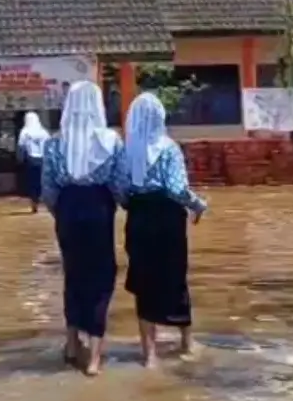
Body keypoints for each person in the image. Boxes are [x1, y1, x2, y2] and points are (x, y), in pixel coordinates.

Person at [114, 92, 207, 367]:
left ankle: (149, 354)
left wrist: (132, 207)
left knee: (143, 282)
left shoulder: (125, 150)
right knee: (175, 276)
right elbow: (177, 189)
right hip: (167, 217)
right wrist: (198, 206)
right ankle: (187, 343)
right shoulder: (168, 148)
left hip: (139, 216)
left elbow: (119, 189)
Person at [41, 81, 123, 376]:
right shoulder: (111, 140)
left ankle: (72, 342)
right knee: (101, 277)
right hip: (99, 208)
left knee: (73, 274)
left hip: (67, 208)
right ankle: (95, 358)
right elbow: (119, 185)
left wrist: (59, 213)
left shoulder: (54, 143)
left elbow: (48, 190)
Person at [17, 111, 51, 213]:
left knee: (32, 182)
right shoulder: (43, 132)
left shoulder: (25, 132)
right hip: (43, 159)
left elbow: (21, 147)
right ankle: (45, 204)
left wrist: (20, 158)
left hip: (31, 159)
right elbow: (49, 146)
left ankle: (34, 204)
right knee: (43, 181)